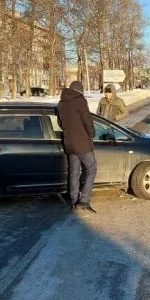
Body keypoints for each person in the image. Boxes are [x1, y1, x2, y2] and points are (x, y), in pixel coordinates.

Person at [57, 81, 97, 212]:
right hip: (82, 143)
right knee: (91, 168)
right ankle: (84, 200)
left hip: (69, 143)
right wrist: (92, 133)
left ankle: (74, 201)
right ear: (79, 91)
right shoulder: (80, 100)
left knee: (74, 172)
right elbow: (87, 120)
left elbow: (60, 124)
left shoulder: (61, 103)